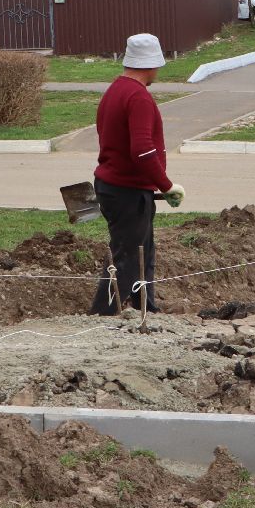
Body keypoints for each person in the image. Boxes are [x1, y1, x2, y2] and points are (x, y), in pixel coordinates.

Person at [89, 33, 185, 315]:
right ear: (151, 64)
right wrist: (166, 186)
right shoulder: (138, 97)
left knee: (142, 254)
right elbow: (142, 151)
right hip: (127, 191)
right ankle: (103, 315)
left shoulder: (115, 90)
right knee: (129, 258)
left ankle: (146, 309)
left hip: (114, 186)